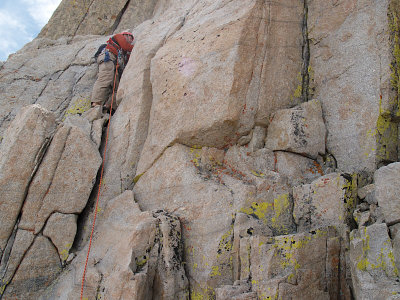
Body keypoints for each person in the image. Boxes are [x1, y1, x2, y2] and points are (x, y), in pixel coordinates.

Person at [91, 32, 134, 111]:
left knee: (118, 88)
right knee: (105, 78)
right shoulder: (119, 37)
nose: (131, 41)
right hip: (108, 58)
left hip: (114, 64)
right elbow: (126, 46)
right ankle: (96, 102)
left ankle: (109, 106)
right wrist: (137, 47)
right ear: (126, 35)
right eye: (131, 38)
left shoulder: (123, 52)